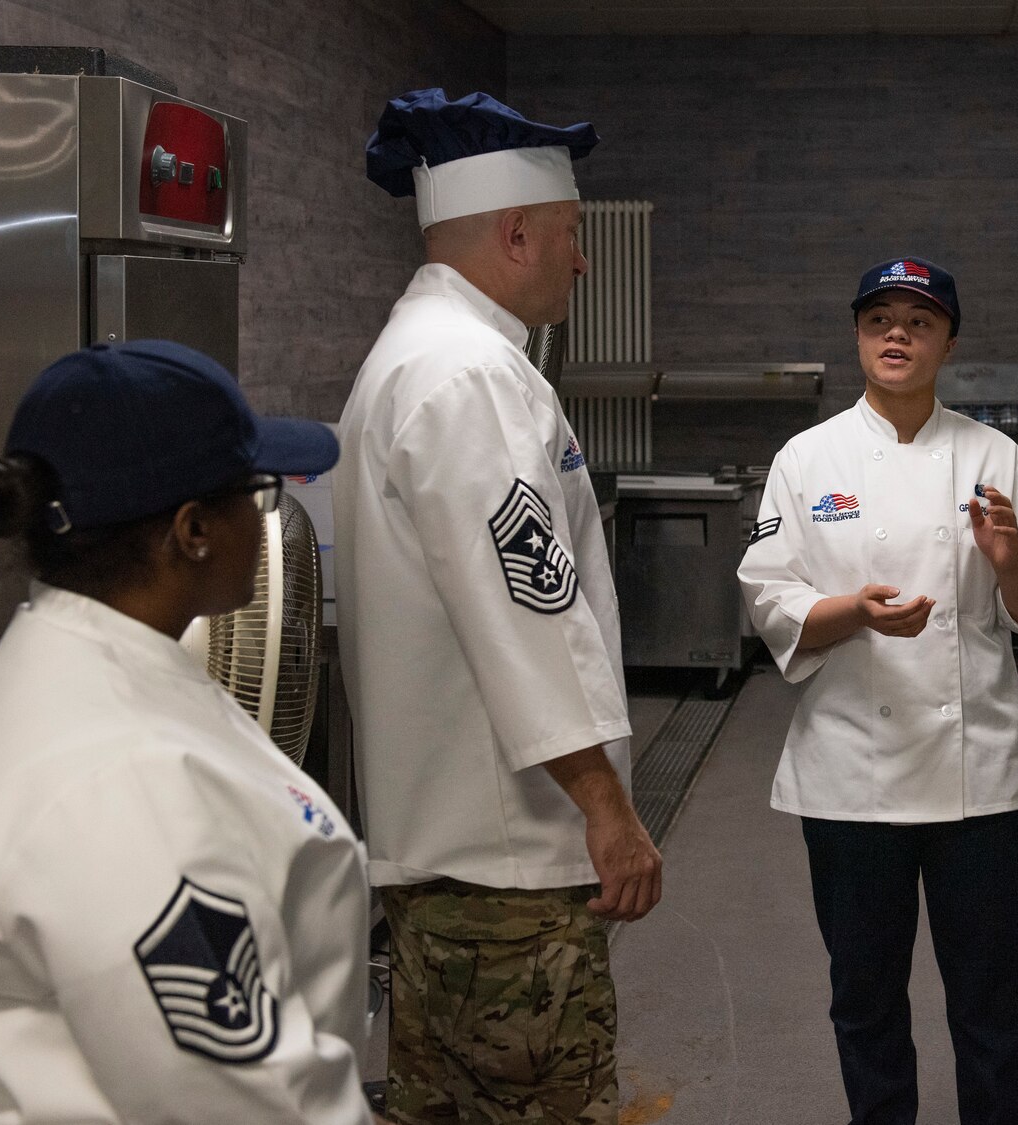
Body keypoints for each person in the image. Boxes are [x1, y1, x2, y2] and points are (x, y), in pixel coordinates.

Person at [0, 341, 374, 1123]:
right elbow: (238, 1098)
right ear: (193, 530)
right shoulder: (119, 779)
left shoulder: (72, 666)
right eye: (258, 490)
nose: (267, 515)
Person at [336, 88, 659, 1125]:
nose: (579, 262)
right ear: (516, 231)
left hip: (446, 856)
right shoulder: (469, 376)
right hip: (507, 868)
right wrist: (606, 808)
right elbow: (527, 611)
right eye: (569, 238)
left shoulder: (410, 357)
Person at [738, 257, 1018, 1125]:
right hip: (851, 772)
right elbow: (768, 599)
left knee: (994, 1002)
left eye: (920, 321)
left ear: (949, 342)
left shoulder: (994, 454)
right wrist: (849, 612)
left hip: (981, 775)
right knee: (865, 1000)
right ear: (858, 335)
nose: (898, 334)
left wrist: (1009, 565)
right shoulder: (807, 459)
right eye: (880, 318)